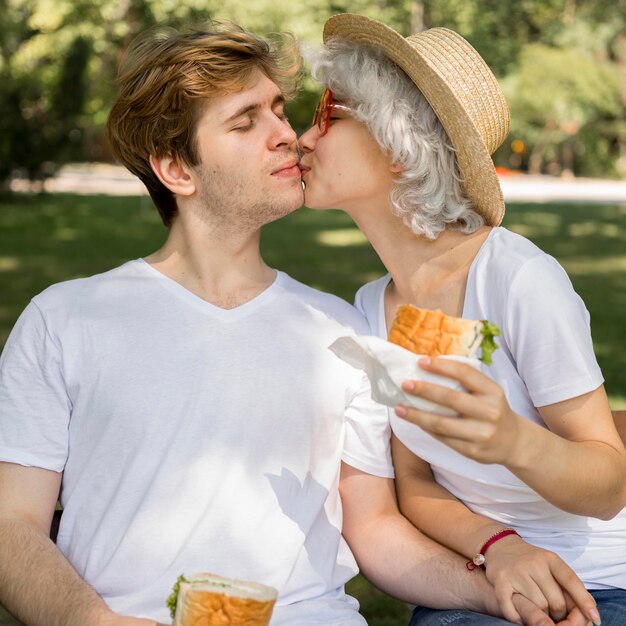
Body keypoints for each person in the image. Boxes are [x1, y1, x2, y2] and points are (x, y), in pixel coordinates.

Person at [0, 20, 577, 626]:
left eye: (280, 110)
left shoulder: (342, 332)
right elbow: (12, 525)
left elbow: (376, 528)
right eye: (246, 122)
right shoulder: (66, 320)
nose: (288, 136)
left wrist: (492, 586)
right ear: (176, 170)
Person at [299, 13, 626, 626]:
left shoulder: (519, 281)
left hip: (600, 586)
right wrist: (496, 548)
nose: (304, 138)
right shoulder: (373, 308)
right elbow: (416, 483)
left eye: (328, 115)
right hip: (482, 581)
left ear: (400, 144)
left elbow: (609, 484)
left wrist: (513, 440)